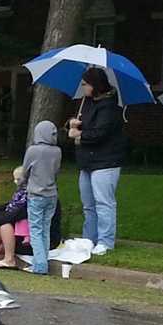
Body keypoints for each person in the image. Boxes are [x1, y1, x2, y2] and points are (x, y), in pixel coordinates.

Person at [67, 67, 126, 256]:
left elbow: (101, 133)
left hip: (105, 162)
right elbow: (88, 126)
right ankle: (88, 239)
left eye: (86, 84)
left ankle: (106, 241)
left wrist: (80, 134)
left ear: (95, 85)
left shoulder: (109, 107)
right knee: (88, 205)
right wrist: (74, 124)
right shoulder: (90, 104)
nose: (83, 88)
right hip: (88, 162)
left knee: (104, 203)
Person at [23, 120, 62, 274]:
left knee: (36, 230)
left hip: (36, 195)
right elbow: (56, 171)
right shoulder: (57, 151)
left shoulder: (33, 150)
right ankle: (42, 261)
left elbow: (25, 170)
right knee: (45, 229)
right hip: (51, 195)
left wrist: (22, 183)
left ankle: (39, 265)